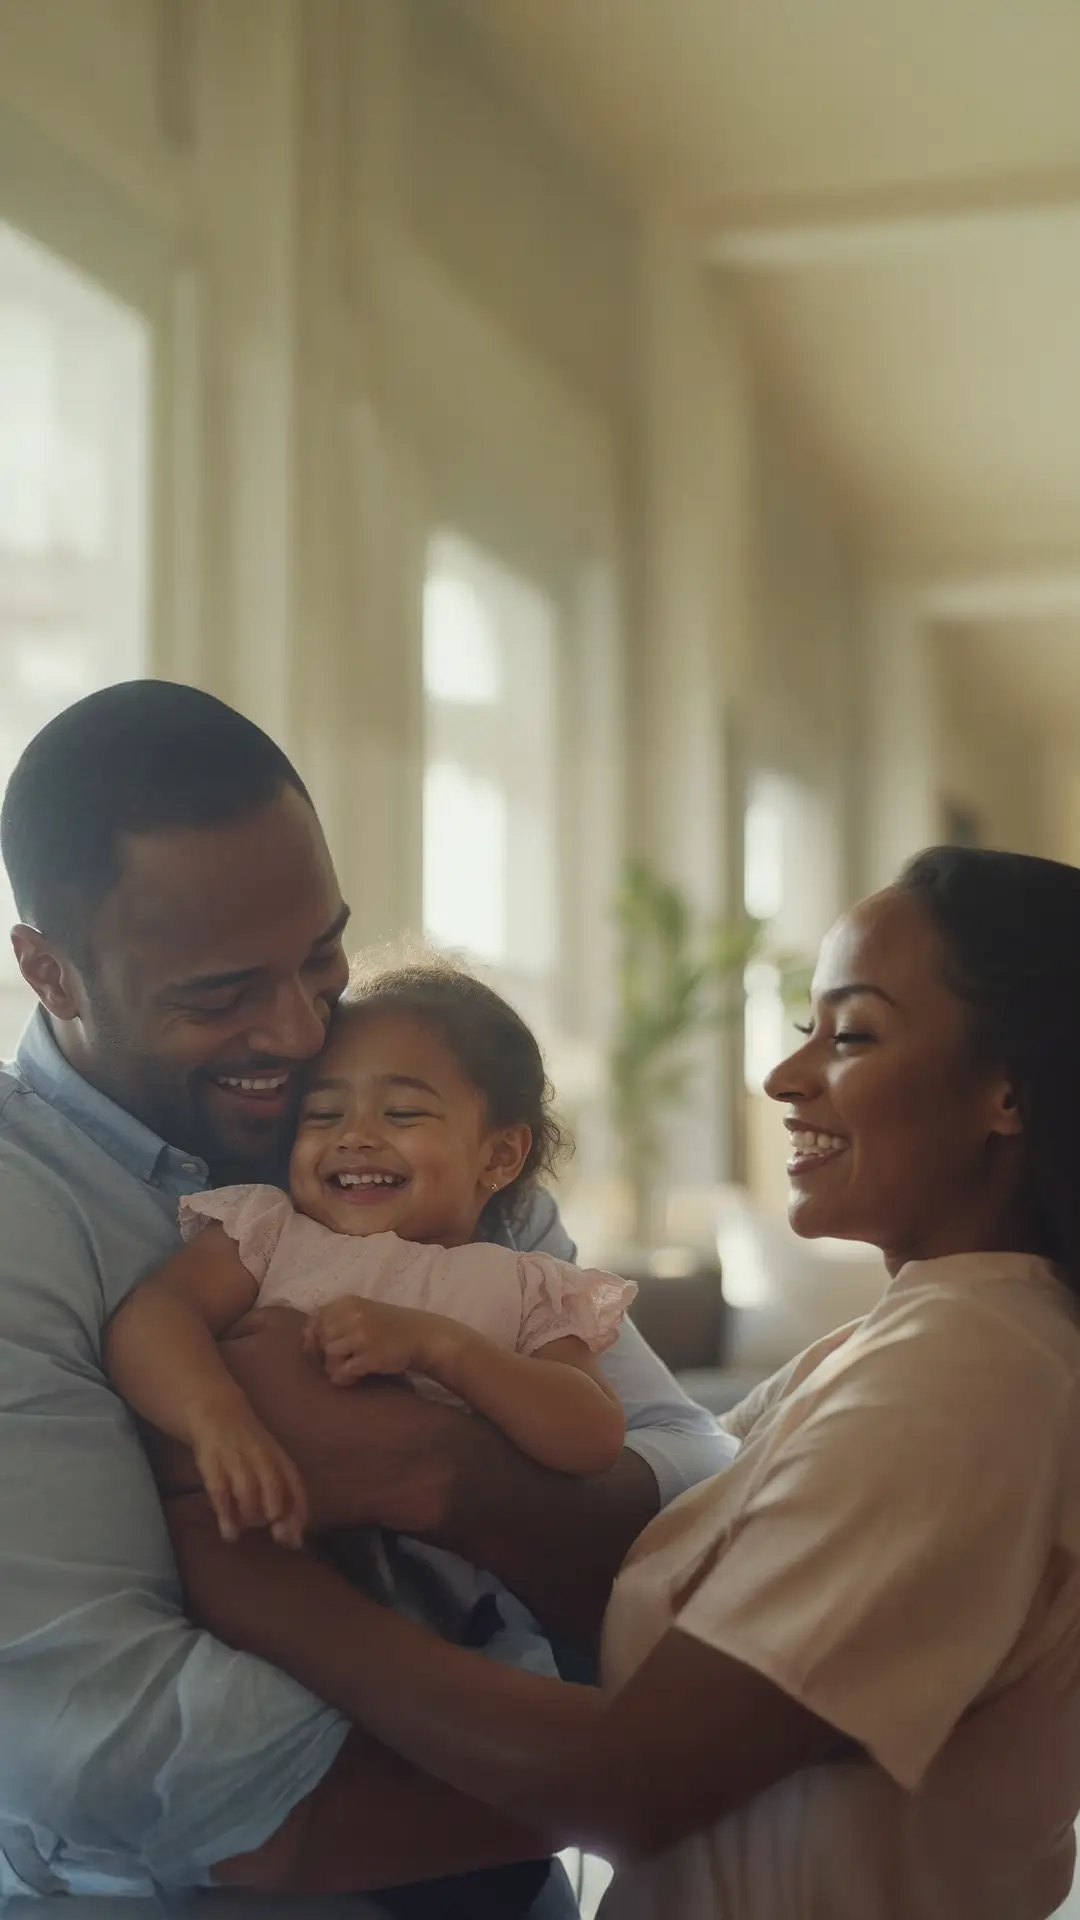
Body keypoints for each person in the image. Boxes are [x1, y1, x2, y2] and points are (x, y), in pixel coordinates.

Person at [174, 845, 1080, 1919]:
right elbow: (656, 1573)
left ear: (1010, 1090)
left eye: (854, 1035)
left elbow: (634, 1784)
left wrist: (248, 1579)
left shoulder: (963, 1376)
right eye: (804, 1032)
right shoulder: (906, 1339)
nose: (786, 1078)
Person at [0, 679, 730, 1911]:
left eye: (323, 955)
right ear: (51, 973)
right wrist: (670, 1769)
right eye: (219, 995)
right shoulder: (28, 1220)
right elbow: (110, 1738)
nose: (297, 1037)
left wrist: (440, 1473)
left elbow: (696, 1480)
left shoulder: (409, 1120)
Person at [105, 964, 636, 1673]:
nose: (354, 1137)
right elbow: (153, 1318)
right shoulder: (270, 1234)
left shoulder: (524, 1285)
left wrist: (443, 1349)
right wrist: (217, 1419)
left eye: (402, 1113)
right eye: (323, 1115)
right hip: (267, 1574)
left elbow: (593, 1435)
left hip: (465, 1627)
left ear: (500, 1154)